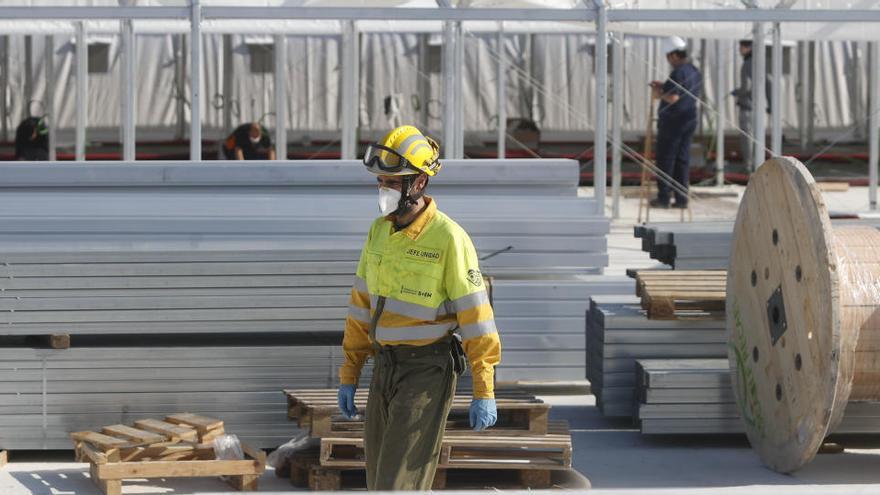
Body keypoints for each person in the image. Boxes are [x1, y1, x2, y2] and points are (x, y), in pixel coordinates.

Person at [337, 125, 502, 490]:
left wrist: (483, 390)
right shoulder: (379, 232)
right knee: (379, 478)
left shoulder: (449, 239)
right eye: (381, 181)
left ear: (419, 184)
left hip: (426, 371)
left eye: (392, 183)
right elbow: (361, 308)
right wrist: (350, 373)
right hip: (385, 367)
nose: (384, 190)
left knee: (399, 484)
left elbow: (477, 319)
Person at [649, 36, 702, 209]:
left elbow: (673, 97)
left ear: (673, 56)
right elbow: (684, 91)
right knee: (682, 159)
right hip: (689, 119)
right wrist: (665, 85)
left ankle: (664, 198)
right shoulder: (694, 70)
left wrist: (659, 94)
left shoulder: (678, 71)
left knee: (666, 159)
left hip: (673, 122)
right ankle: (681, 198)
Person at [731, 40, 771, 171]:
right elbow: (769, 83)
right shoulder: (760, 64)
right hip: (760, 108)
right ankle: (759, 166)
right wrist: (770, 104)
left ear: (747, 48)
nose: (739, 49)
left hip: (748, 108)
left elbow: (746, 87)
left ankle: (748, 167)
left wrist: (736, 92)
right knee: (759, 139)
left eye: (741, 47)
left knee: (747, 139)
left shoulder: (747, 64)